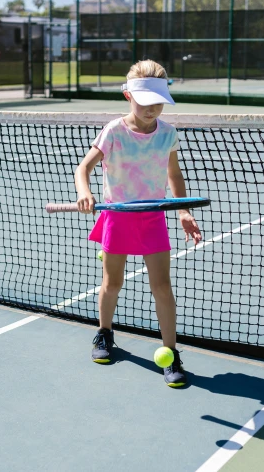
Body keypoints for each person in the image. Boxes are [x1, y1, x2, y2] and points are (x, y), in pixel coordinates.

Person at [74, 59, 202, 388]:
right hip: (118, 217)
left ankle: (171, 354)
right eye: (146, 102)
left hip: (153, 218)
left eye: (158, 103)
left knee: (162, 287)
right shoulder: (114, 131)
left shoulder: (168, 133)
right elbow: (83, 169)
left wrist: (183, 210)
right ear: (129, 97)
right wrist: (85, 193)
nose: (152, 109)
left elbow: (173, 174)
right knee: (112, 283)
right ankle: (104, 334)